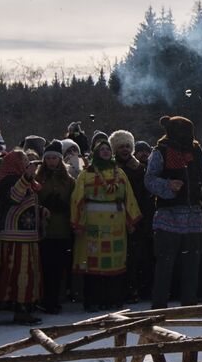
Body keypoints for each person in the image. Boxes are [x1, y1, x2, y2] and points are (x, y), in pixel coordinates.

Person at [144, 116, 202, 309]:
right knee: (165, 264)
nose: (184, 134)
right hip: (168, 216)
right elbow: (149, 179)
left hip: (193, 216)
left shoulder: (196, 151)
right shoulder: (160, 151)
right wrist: (167, 185)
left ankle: (189, 304)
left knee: (192, 264)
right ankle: (159, 306)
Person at [70, 139, 142, 311]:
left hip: (116, 224)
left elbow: (129, 197)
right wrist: (77, 223)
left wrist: (131, 220)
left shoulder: (120, 173)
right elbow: (76, 199)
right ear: (95, 153)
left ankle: (113, 299)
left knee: (115, 262)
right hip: (92, 225)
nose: (105, 152)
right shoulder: (86, 174)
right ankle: (93, 300)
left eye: (107, 149)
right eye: (101, 149)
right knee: (92, 262)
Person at [0, 151, 45, 325]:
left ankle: (22, 310)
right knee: (10, 272)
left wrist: (40, 210)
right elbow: (14, 198)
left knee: (25, 273)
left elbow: (27, 202)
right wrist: (26, 177)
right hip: (12, 235)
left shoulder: (28, 181)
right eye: (23, 160)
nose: (27, 162)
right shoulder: (7, 180)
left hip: (27, 234)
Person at [110, 130, 153, 301]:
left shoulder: (140, 169)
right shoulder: (110, 169)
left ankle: (137, 289)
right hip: (115, 218)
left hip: (138, 218)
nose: (125, 149)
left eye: (128, 146)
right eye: (121, 146)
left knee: (137, 256)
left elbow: (146, 196)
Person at [35, 142, 76, 314]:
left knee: (58, 268)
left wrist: (64, 206)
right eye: (49, 158)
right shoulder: (38, 179)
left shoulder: (69, 181)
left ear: (60, 160)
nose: (51, 161)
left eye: (54, 158)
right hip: (44, 229)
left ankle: (55, 299)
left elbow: (75, 202)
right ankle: (45, 299)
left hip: (62, 228)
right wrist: (42, 205)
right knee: (45, 266)